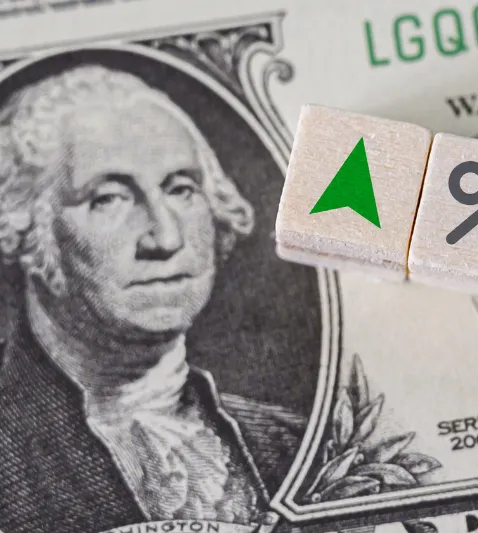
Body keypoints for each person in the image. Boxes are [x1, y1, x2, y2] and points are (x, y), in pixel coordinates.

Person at [0, 64, 306, 533]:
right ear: (25, 227)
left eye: (181, 189)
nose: (165, 238)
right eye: (109, 199)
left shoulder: (291, 441)